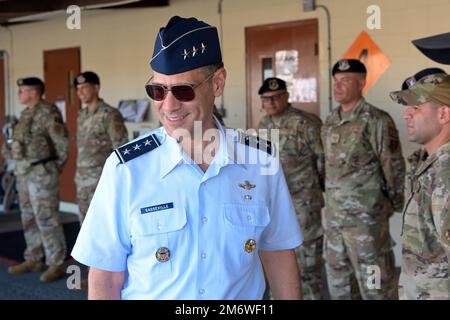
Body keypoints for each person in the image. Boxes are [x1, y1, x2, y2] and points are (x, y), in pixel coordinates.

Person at [71, 16, 303, 300]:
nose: (168, 106)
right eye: (157, 90)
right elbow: (106, 277)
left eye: (183, 90)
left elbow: (278, 252)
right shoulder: (127, 169)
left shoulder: (259, 161)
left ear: (217, 84)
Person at [321, 59, 405, 299]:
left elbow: (393, 165)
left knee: (375, 288)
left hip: (366, 224)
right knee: (340, 288)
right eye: (336, 81)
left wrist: (395, 203)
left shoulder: (376, 120)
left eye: (346, 81)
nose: (338, 87)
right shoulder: (330, 122)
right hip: (335, 222)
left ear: (362, 83)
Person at [257, 77, 325, 300]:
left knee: (308, 264)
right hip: (275, 205)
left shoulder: (305, 123)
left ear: (286, 96)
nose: (271, 102)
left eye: (276, 97)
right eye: (266, 99)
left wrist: (318, 191)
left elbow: (323, 160)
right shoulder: (262, 126)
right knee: (280, 260)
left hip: (303, 203)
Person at [1, 77, 69, 282]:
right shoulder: (25, 115)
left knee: (47, 218)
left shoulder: (48, 112)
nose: (19, 94)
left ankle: (55, 262)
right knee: (28, 217)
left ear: (34, 92)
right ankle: (34, 256)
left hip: (42, 174)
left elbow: (62, 145)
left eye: (22, 90)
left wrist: (52, 169)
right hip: (23, 174)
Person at [390, 72, 450, 299]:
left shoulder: (445, 174)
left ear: (444, 114)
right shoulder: (429, 165)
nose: (406, 115)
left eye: (416, 107)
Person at [74, 71, 128, 224]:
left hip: (101, 179)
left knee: (101, 223)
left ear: (96, 88)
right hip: (82, 179)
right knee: (84, 225)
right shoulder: (82, 114)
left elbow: (121, 147)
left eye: (85, 87)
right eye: (78, 88)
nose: (80, 92)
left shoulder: (109, 114)